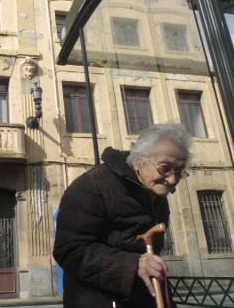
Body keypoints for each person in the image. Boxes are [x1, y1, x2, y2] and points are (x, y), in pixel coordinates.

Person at [53, 122, 191, 308]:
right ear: (139, 161)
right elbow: (69, 251)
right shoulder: (90, 186)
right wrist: (134, 265)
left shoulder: (157, 194)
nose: (173, 179)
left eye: (179, 172)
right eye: (165, 168)